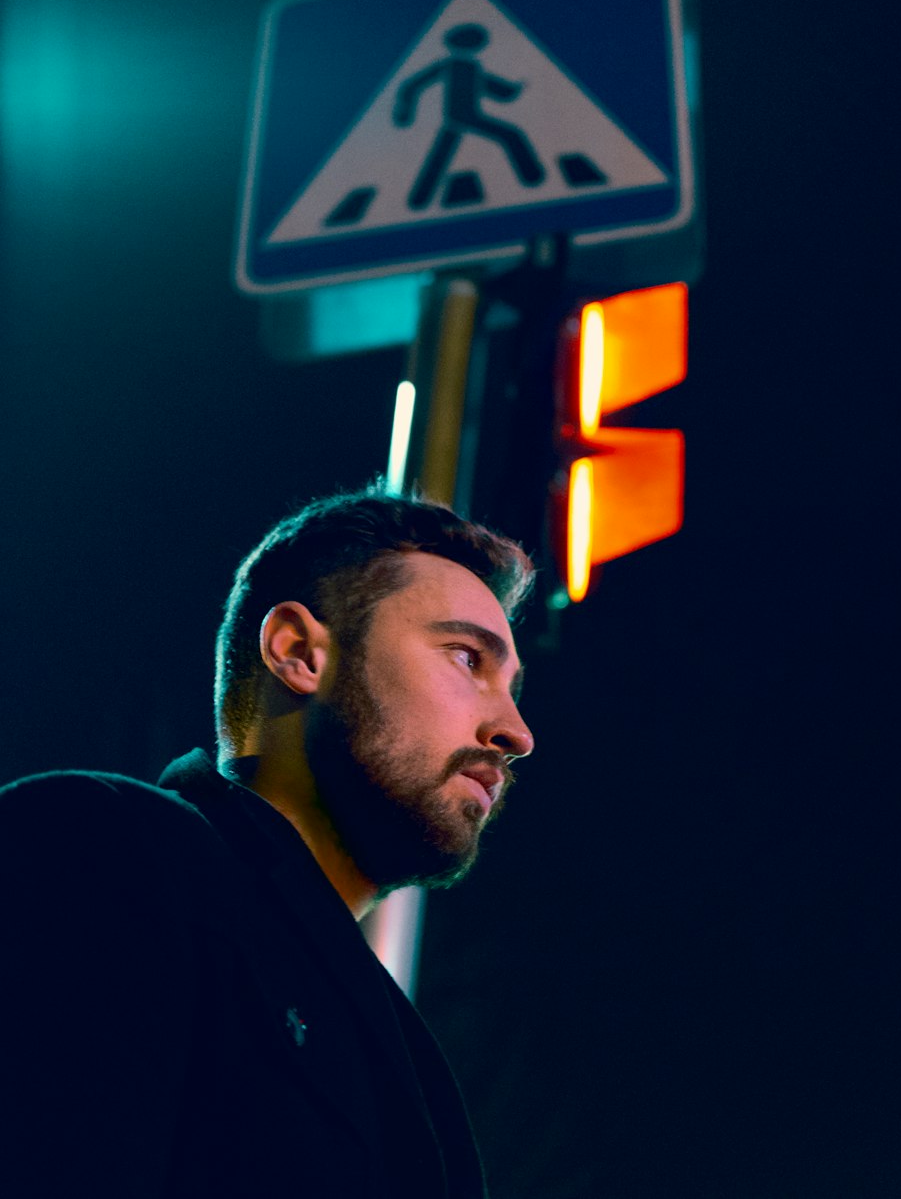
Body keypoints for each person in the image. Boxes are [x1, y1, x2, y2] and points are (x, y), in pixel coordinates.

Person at [0, 486, 536, 1197]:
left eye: (512, 686)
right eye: (468, 659)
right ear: (298, 653)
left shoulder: (402, 1051)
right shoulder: (102, 846)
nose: (516, 734)